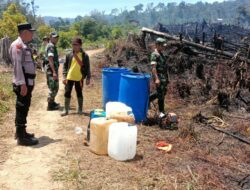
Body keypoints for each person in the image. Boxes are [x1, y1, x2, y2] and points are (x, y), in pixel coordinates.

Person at [9, 23, 39, 146]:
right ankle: (22, 138)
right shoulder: (17, 45)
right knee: (22, 108)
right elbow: (17, 66)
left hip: (27, 81)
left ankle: (21, 132)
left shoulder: (24, 45)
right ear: (25, 32)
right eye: (30, 31)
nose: (32, 34)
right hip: (23, 82)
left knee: (24, 107)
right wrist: (22, 84)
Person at [61, 37, 91, 116]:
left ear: (80, 45)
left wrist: (88, 78)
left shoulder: (84, 56)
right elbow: (65, 66)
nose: (74, 46)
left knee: (79, 93)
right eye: (73, 44)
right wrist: (64, 76)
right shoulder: (69, 54)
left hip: (79, 78)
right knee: (67, 92)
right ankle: (66, 110)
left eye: (76, 45)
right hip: (70, 77)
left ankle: (80, 109)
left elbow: (87, 67)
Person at [149, 37, 169, 114]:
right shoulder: (154, 55)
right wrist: (157, 79)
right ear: (157, 45)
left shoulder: (161, 54)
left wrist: (167, 78)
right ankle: (162, 112)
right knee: (160, 95)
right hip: (159, 77)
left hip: (164, 78)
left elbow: (165, 68)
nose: (164, 47)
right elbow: (153, 68)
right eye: (162, 46)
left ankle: (148, 100)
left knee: (162, 93)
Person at [45, 32, 60, 110]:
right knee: (54, 87)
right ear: (50, 38)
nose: (56, 39)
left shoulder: (52, 46)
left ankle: (52, 102)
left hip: (52, 70)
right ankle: (50, 105)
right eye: (54, 37)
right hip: (51, 71)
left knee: (53, 87)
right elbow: (50, 59)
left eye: (57, 37)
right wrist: (54, 72)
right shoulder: (51, 46)